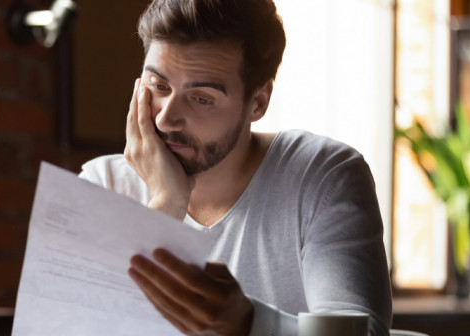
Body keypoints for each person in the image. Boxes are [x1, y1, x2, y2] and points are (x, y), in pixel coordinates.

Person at [78, 0, 393, 335]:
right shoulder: (104, 184)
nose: (165, 119)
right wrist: (165, 205)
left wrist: (250, 324)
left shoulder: (324, 177)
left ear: (257, 102)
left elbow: (365, 331)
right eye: (159, 87)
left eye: (201, 98)